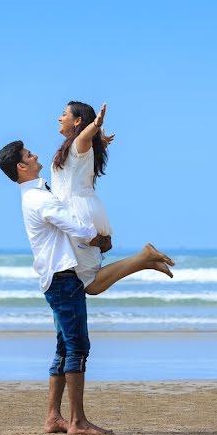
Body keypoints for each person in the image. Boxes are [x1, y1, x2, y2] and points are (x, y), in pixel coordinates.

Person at [0, 140, 173, 435]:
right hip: (63, 279)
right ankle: (77, 421)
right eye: (29, 154)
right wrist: (100, 238)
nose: (35, 154)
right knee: (77, 348)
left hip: (58, 278)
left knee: (65, 349)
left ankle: (53, 418)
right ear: (21, 167)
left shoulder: (36, 194)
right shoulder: (39, 199)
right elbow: (76, 226)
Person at [52, 100, 172, 293]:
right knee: (89, 279)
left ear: (78, 121)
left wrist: (96, 125)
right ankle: (144, 261)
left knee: (90, 283)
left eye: (64, 114)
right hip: (83, 208)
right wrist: (100, 141)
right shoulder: (79, 148)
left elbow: (84, 136)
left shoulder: (79, 143)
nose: (59, 117)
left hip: (76, 213)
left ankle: (143, 259)